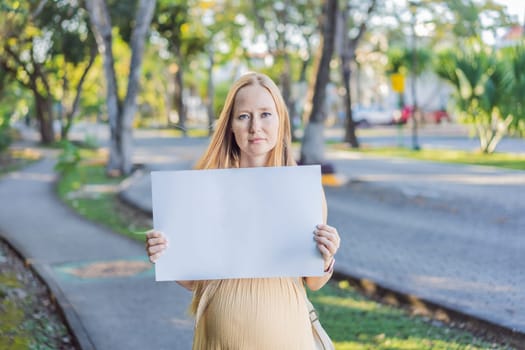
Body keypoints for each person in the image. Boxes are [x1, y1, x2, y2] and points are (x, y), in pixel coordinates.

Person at [146, 72, 341, 349]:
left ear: (280, 120)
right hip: (222, 337)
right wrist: (164, 253)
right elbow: (191, 281)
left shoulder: (303, 188)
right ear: (230, 126)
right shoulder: (204, 186)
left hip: (287, 335)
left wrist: (327, 255)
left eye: (265, 114)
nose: (255, 127)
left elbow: (314, 282)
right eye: (244, 116)